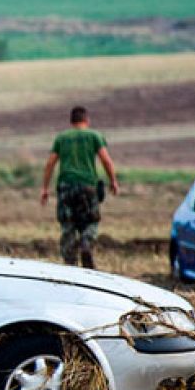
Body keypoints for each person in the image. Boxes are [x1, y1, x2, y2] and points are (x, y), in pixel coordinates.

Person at [40, 106, 120, 270]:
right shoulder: (94, 136)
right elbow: (106, 160)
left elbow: (50, 163)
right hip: (87, 186)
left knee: (68, 225)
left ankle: (70, 265)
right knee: (91, 221)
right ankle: (86, 245)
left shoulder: (62, 138)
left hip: (66, 187)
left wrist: (45, 188)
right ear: (86, 120)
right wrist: (113, 181)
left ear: (71, 121)